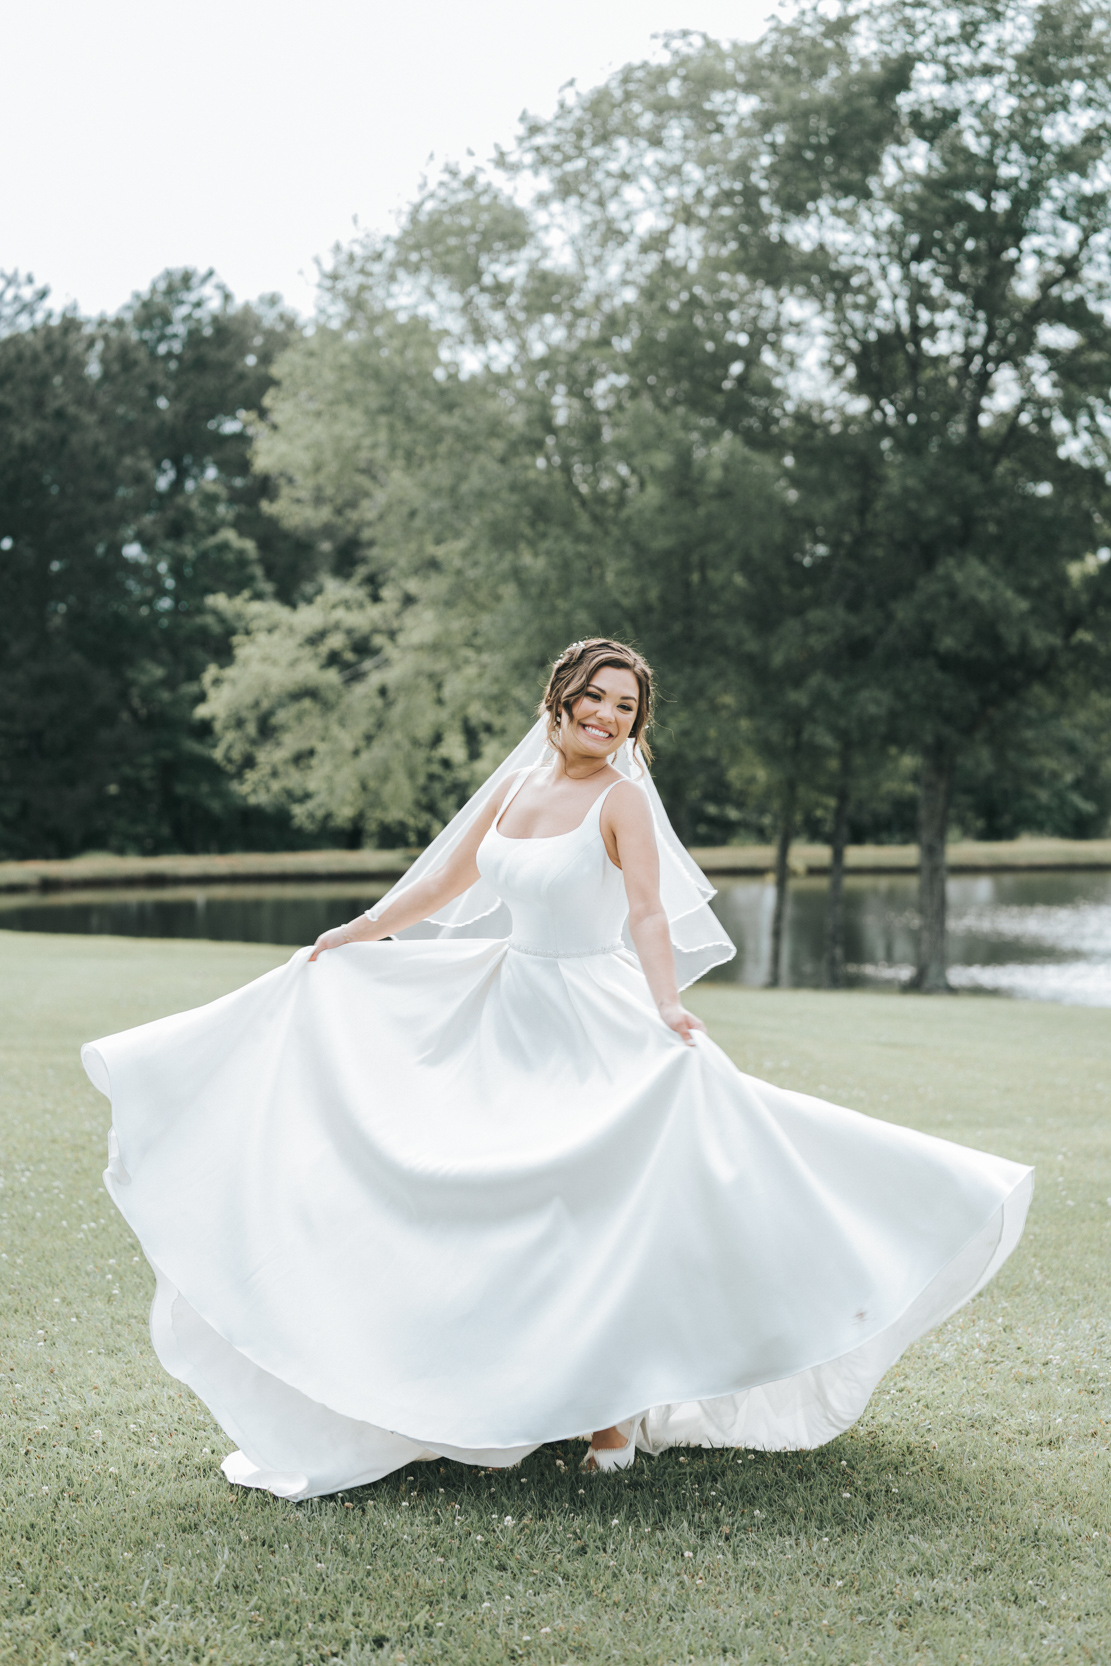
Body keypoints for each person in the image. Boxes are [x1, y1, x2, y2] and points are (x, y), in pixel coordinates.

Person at [82, 638, 1031, 1500]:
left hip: (595, 1011)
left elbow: (649, 914)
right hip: (506, 1008)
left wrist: (664, 1004)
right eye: (597, 697)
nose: (609, 717)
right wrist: (360, 931)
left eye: (626, 707)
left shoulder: (621, 799)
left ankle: (609, 1418)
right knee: (479, 1194)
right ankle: (482, 1387)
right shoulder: (514, 792)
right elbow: (445, 882)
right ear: (561, 697)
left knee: (598, 1199)